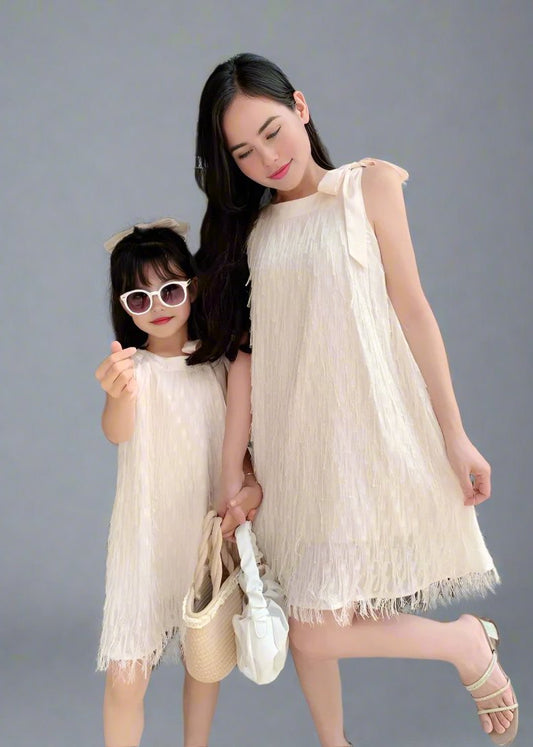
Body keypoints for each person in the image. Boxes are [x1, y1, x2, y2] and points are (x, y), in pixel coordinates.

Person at [189, 53, 519, 746]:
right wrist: (238, 469)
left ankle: (463, 643)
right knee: (313, 623)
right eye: (242, 152)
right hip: (291, 449)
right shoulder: (247, 233)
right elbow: (246, 357)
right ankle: (333, 741)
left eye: (273, 131)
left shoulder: (364, 187)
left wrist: (454, 434)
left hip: (361, 436)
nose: (265, 159)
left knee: (314, 625)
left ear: (301, 107)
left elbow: (413, 311)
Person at [94, 218, 261, 747]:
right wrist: (117, 391)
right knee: (126, 677)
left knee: (204, 659)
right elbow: (116, 432)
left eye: (169, 289)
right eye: (139, 299)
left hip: (202, 538)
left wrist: (249, 490)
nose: (159, 306)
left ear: (193, 287)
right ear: (123, 308)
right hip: (143, 543)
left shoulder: (216, 365)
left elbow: (244, 448)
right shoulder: (132, 369)